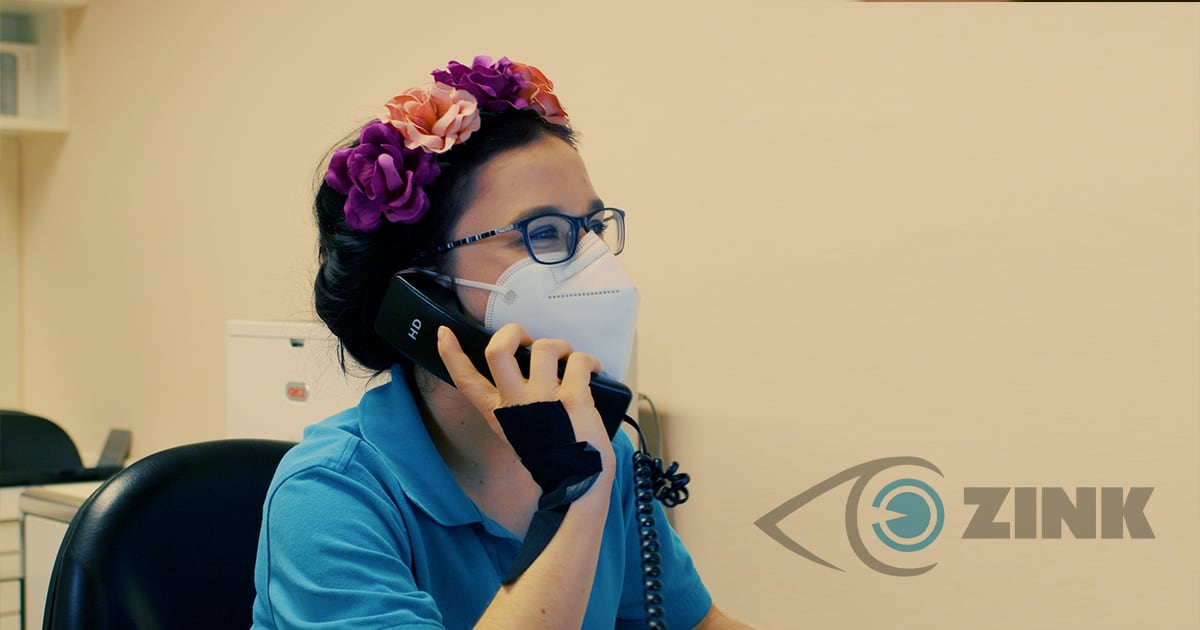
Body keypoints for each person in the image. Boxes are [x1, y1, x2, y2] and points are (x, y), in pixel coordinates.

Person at [251, 56, 749, 629]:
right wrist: (575, 492)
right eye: (543, 233)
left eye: (592, 228)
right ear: (424, 296)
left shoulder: (599, 448)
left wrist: (584, 472)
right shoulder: (329, 494)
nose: (594, 265)